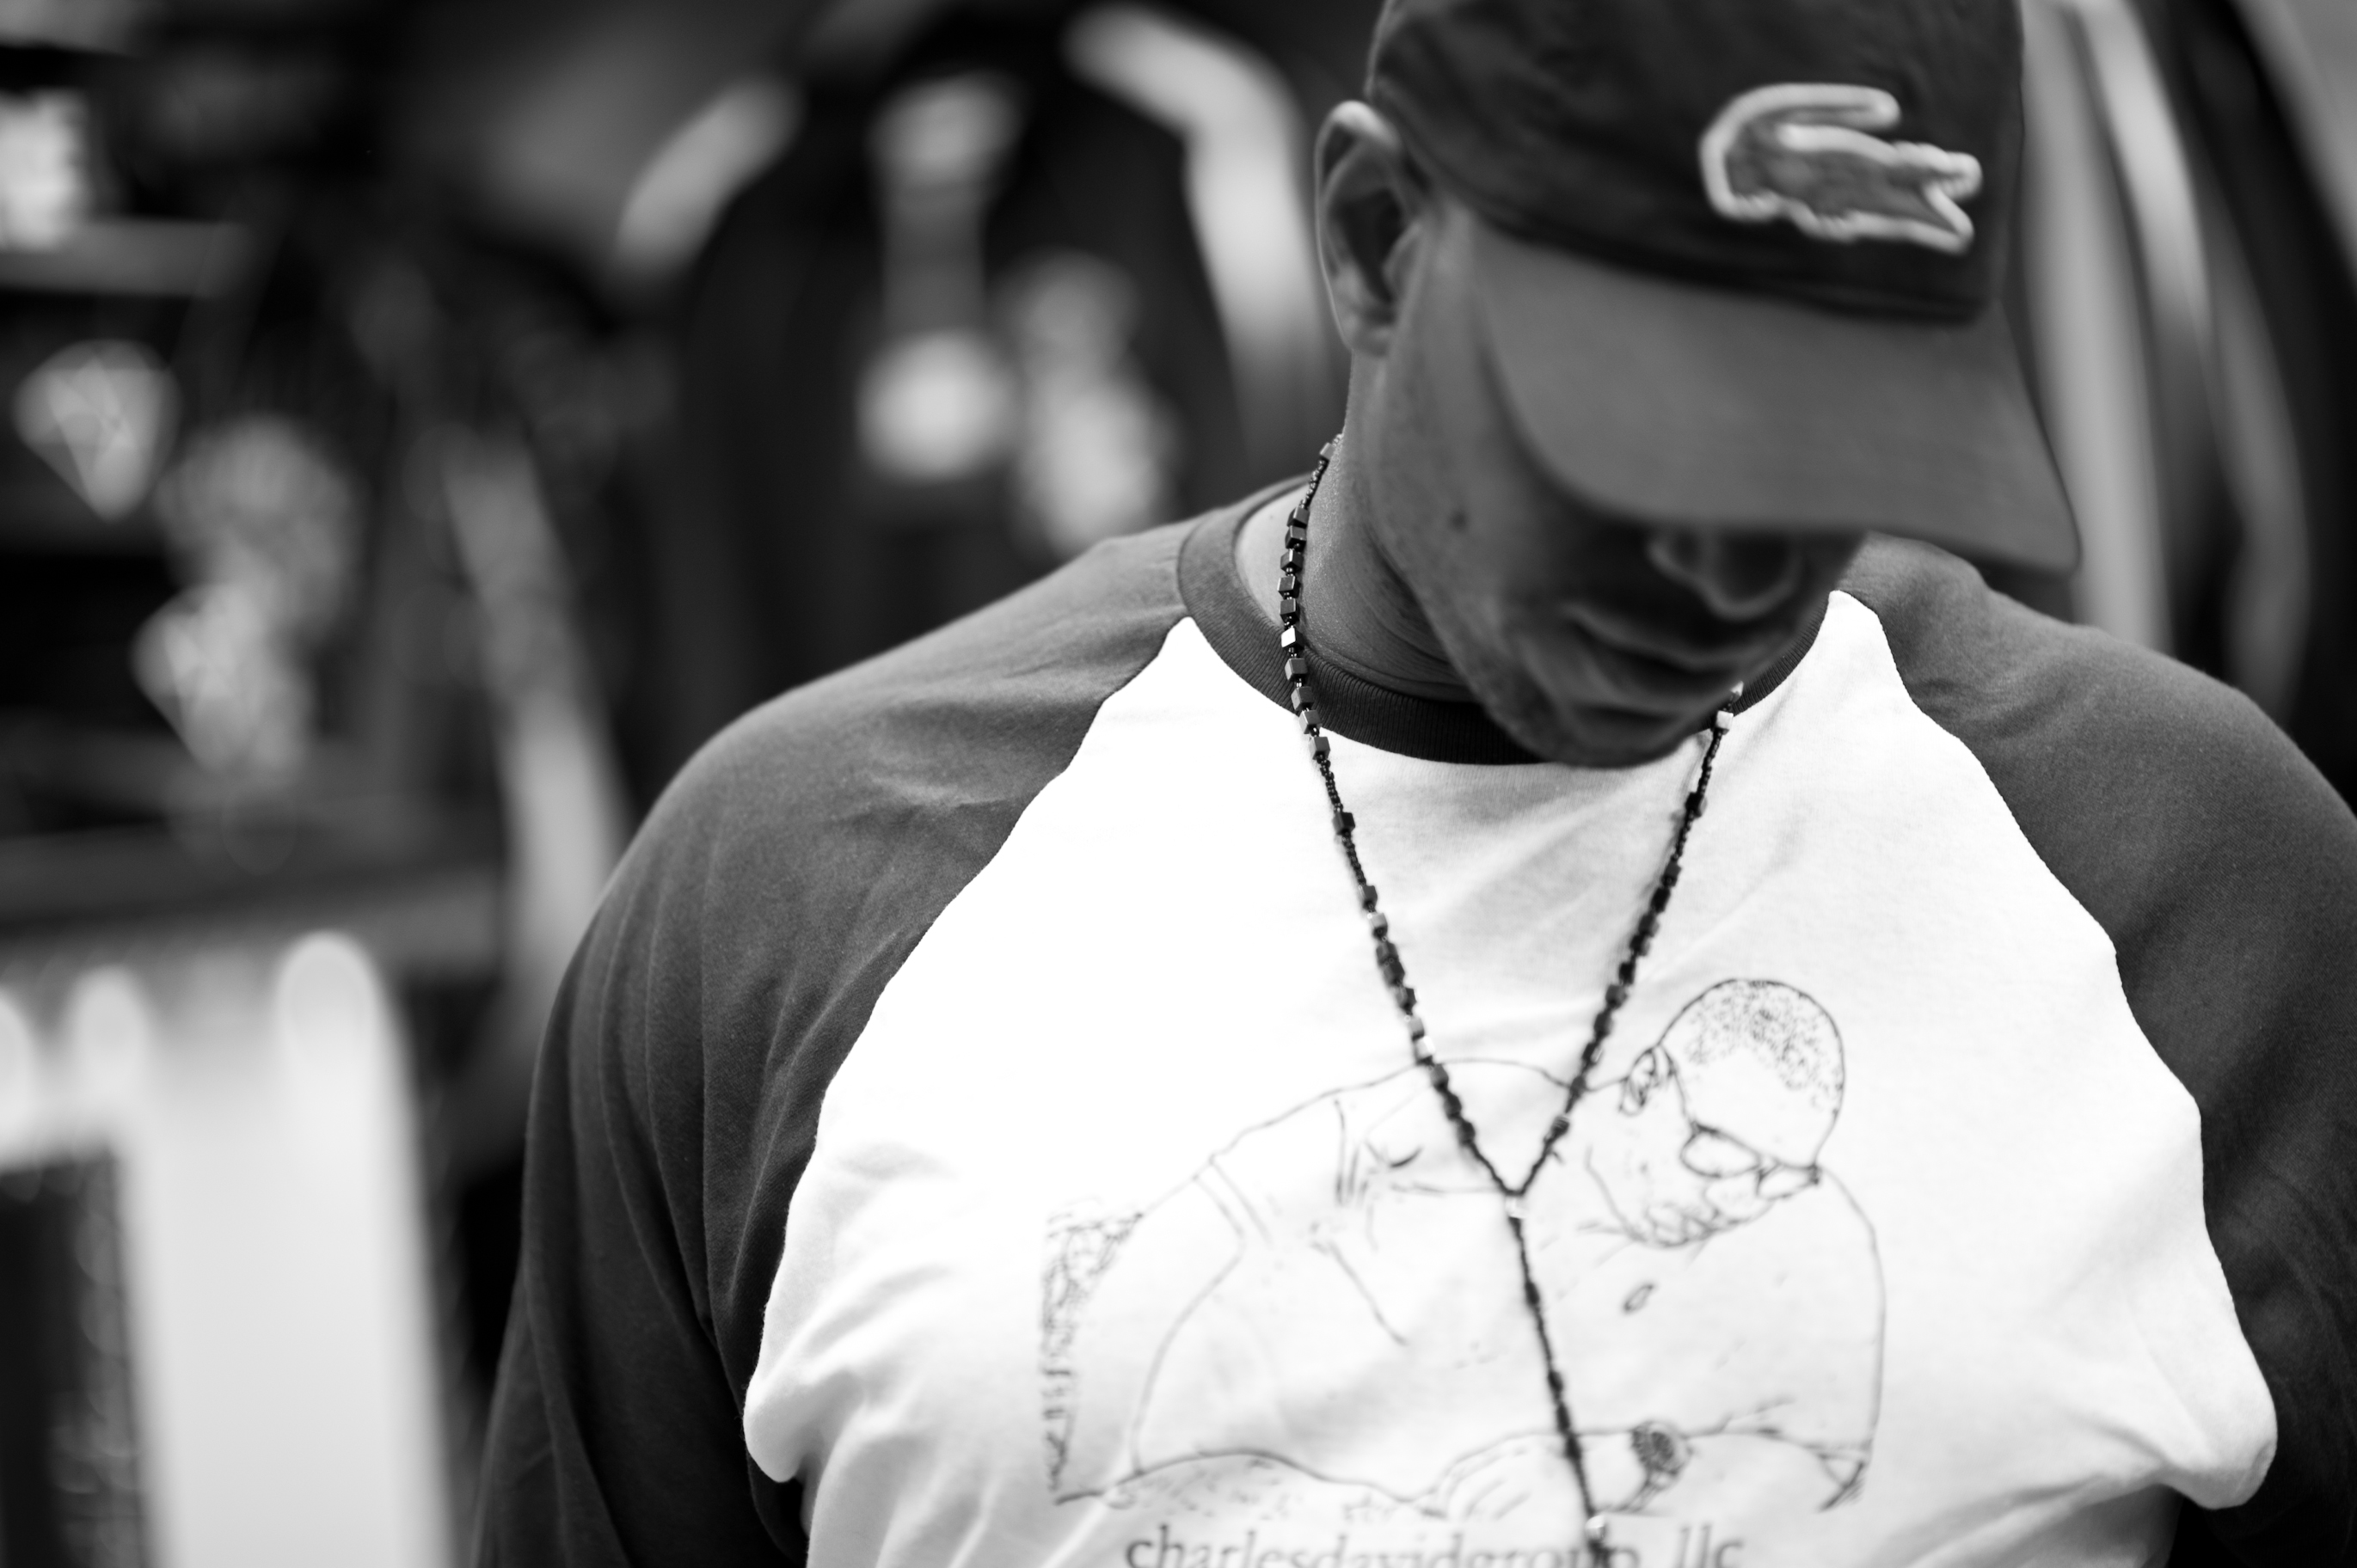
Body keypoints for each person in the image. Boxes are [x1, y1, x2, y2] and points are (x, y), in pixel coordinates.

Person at [478, 0, 2357, 1562]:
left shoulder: (2188, 880)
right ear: (1378, 240)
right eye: (1642, 444)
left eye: (1830, 459)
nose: (1725, 575)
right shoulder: (795, 897)